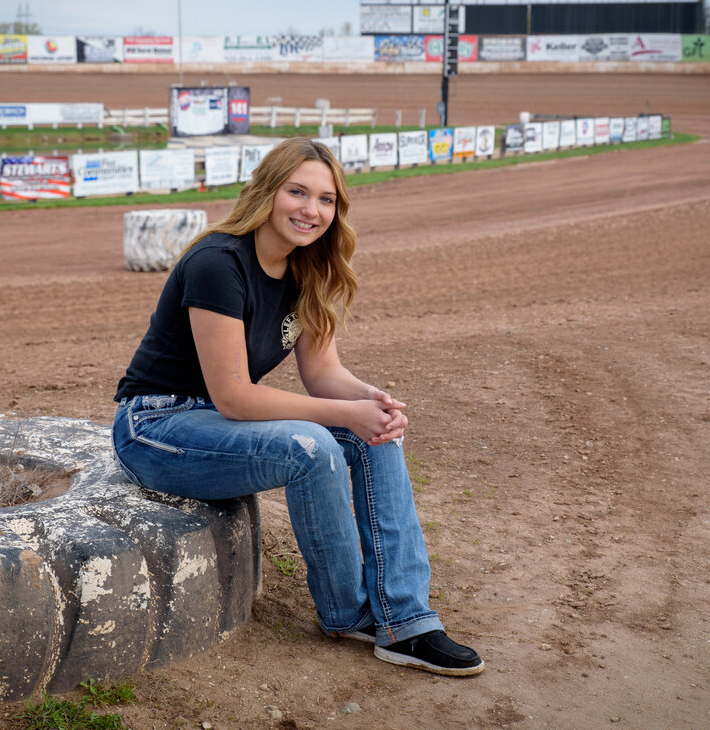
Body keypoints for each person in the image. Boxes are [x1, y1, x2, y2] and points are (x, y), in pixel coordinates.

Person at [111, 137, 484, 676]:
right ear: (268, 191)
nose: (312, 210)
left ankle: (407, 622)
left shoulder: (307, 268)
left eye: (327, 200)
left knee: (371, 434)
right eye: (298, 192)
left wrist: (372, 403)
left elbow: (324, 374)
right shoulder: (218, 262)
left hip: (213, 423)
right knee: (310, 447)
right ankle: (348, 613)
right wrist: (342, 414)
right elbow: (235, 395)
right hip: (156, 427)